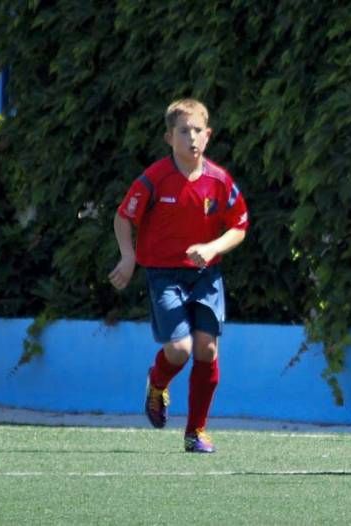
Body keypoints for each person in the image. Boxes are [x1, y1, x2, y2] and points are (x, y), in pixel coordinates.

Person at [109, 98, 249, 453]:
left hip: (206, 274)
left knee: (207, 348)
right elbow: (124, 217)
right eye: (183, 131)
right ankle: (157, 382)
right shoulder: (154, 179)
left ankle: (196, 431)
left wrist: (213, 247)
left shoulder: (219, 180)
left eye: (197, 131)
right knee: (180, 348)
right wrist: (128, 258)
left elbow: (239, 227)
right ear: (169, 137)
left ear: (208, 135)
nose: (191, 138)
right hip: (164, 275)